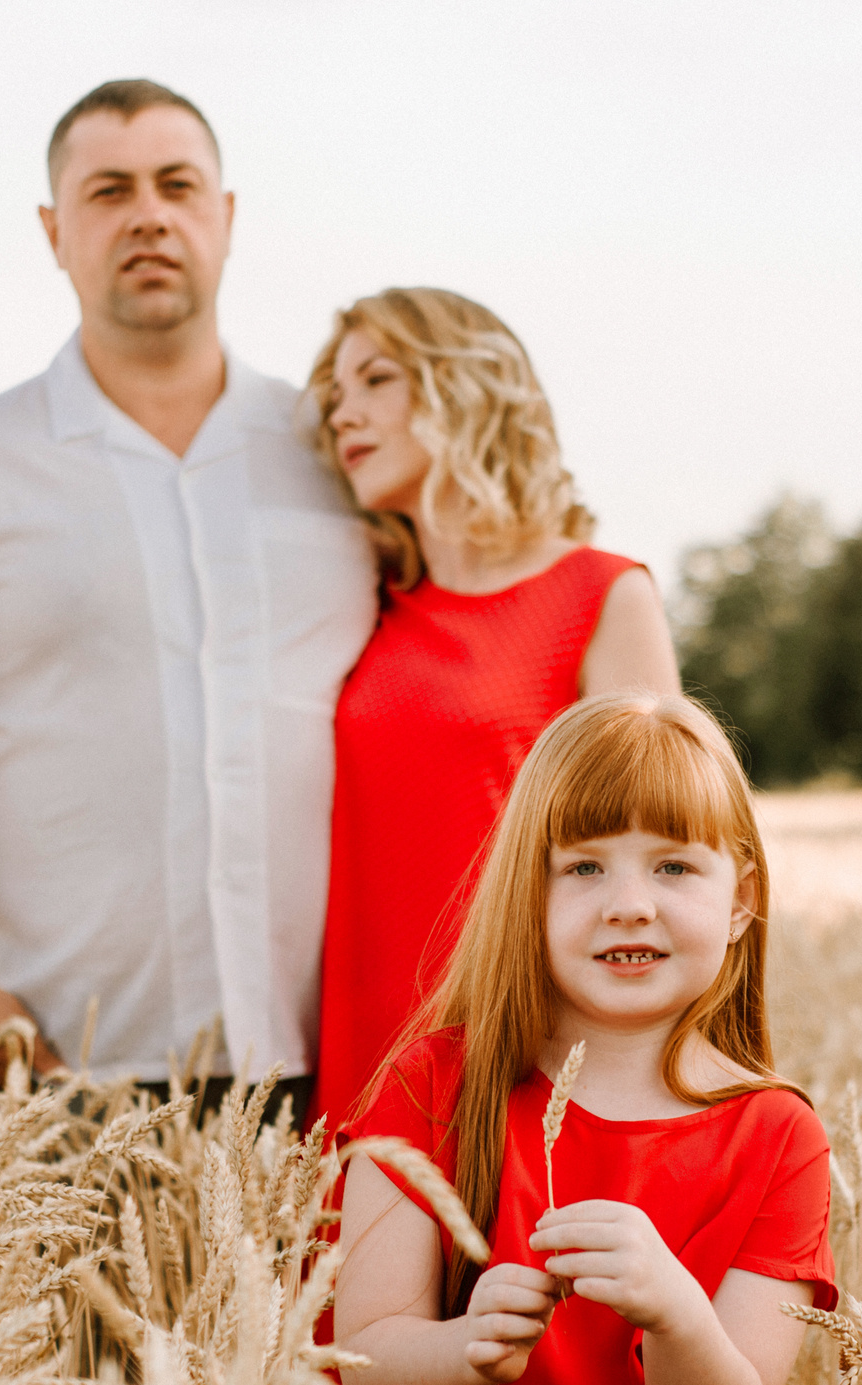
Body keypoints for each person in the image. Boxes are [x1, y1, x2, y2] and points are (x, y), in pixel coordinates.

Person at [0, 81, 374, 1112]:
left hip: (345, 1062)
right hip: (64, 1065)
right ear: (53, 232)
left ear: (227, 216)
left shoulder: (340, 454)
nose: (148, 214)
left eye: (177, 184)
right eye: (108, 191)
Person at [333, 694, 833, 1385]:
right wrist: (467, 1347)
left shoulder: (776, 1134)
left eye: (674, 865)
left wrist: (676, 1313)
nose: (629, 902)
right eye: (584, 865)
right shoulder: (435, 1085)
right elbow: (363, 1359)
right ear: (529, 892)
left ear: (741, 898)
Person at [306, 289, 679, 1128]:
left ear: (458, 388)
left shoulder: (602, 593)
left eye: (375, 379)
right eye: (335, 394)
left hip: (528, 1042)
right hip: (367, 1037)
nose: (344, 413)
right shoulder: (366, 604)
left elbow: (665, 845)